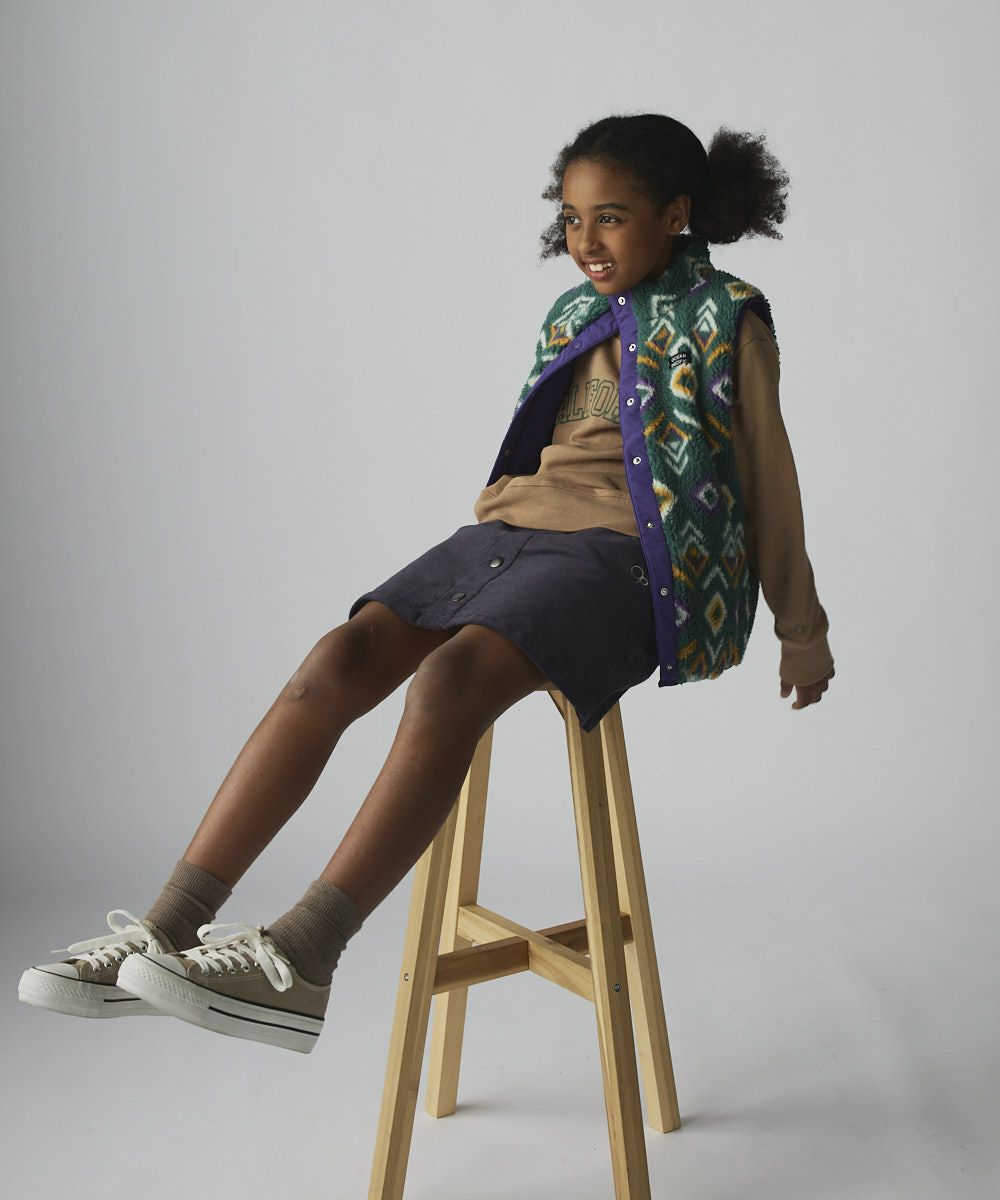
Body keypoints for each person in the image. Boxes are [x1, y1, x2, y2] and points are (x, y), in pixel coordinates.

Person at [18, 112, 834, 1054]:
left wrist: (801, 629)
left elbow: (770, 476)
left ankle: (305, 955)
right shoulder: (570, 315)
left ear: (676, 214)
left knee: (450, 680)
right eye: (571, 219)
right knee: (339, 656)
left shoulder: (729, 317)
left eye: (610, 218)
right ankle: (166, 930)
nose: (585, 241)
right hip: (515, 533)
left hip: (632, 562)